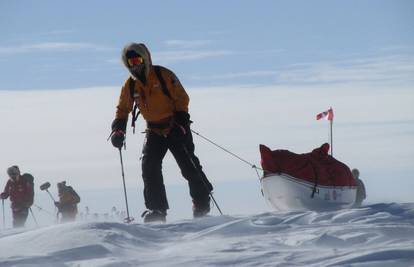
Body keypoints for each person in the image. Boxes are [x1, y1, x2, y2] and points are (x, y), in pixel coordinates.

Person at [110, 42, 213, 223]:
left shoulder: (164, 75)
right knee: (149, 168)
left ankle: (202, 201)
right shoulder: (130, 85)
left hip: (175, 127)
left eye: (138, 59)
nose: (136, 64)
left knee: (189, 166)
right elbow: (123, 108)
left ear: (146, 58)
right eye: (131, 61)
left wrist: (181, 122)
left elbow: (182, 98)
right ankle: (157, 210)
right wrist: (118, 129)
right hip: (153, 130)